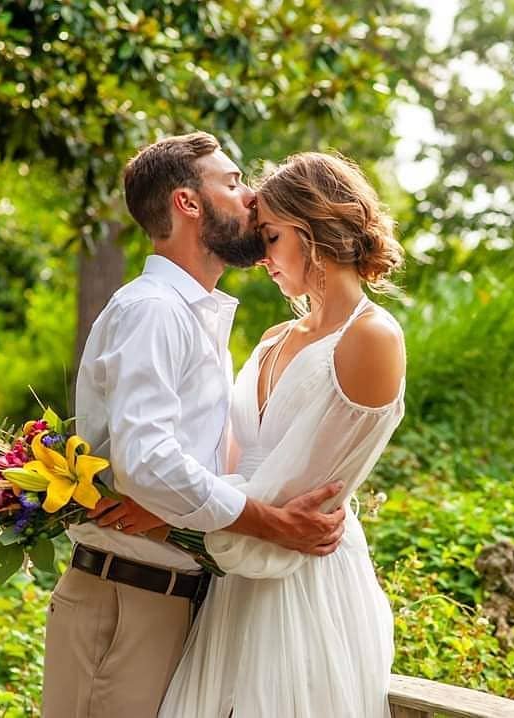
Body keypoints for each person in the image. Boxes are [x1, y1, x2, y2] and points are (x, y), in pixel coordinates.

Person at [41, 133, 347, 718]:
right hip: (125, 601)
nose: (251, 197)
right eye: (232, 184)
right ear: (188, 203)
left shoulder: (197, 317)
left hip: (178, 601)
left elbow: (177, 469)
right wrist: (272, 523)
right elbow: (148, 461)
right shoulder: (154, 311)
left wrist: (167, 507)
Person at [150, 151, 407, 717]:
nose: (261, 257)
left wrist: (169, 520)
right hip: (239, 569)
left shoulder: (371, 338)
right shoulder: (272, 337)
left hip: (302, 577)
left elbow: (300, 495)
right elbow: (231, 462)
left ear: (313, 228)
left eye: (269, 236)